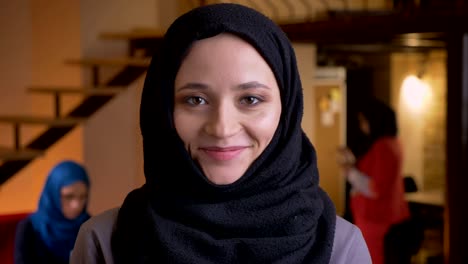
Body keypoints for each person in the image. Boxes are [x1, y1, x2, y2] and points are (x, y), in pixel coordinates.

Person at [71, 3, 371, 263]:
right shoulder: (104, 242)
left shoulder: (339, 248)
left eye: (250, 99)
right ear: (161, 110)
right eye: (195, 100)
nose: (222, 128)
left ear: (287, 110)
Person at [338, 98, 410, 264]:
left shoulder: (382, 146)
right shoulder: (394, 143)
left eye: (363, 121)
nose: (362, 126)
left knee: (372, 258)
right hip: (385, 215)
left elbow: (375, 187)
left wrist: (349, 172)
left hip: (376, 218)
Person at [14, 160, 91, 264]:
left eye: (83, 196)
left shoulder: (90, 226)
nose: (76, 205)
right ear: (53, 194)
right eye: (69, 196)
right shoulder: (29, 229)